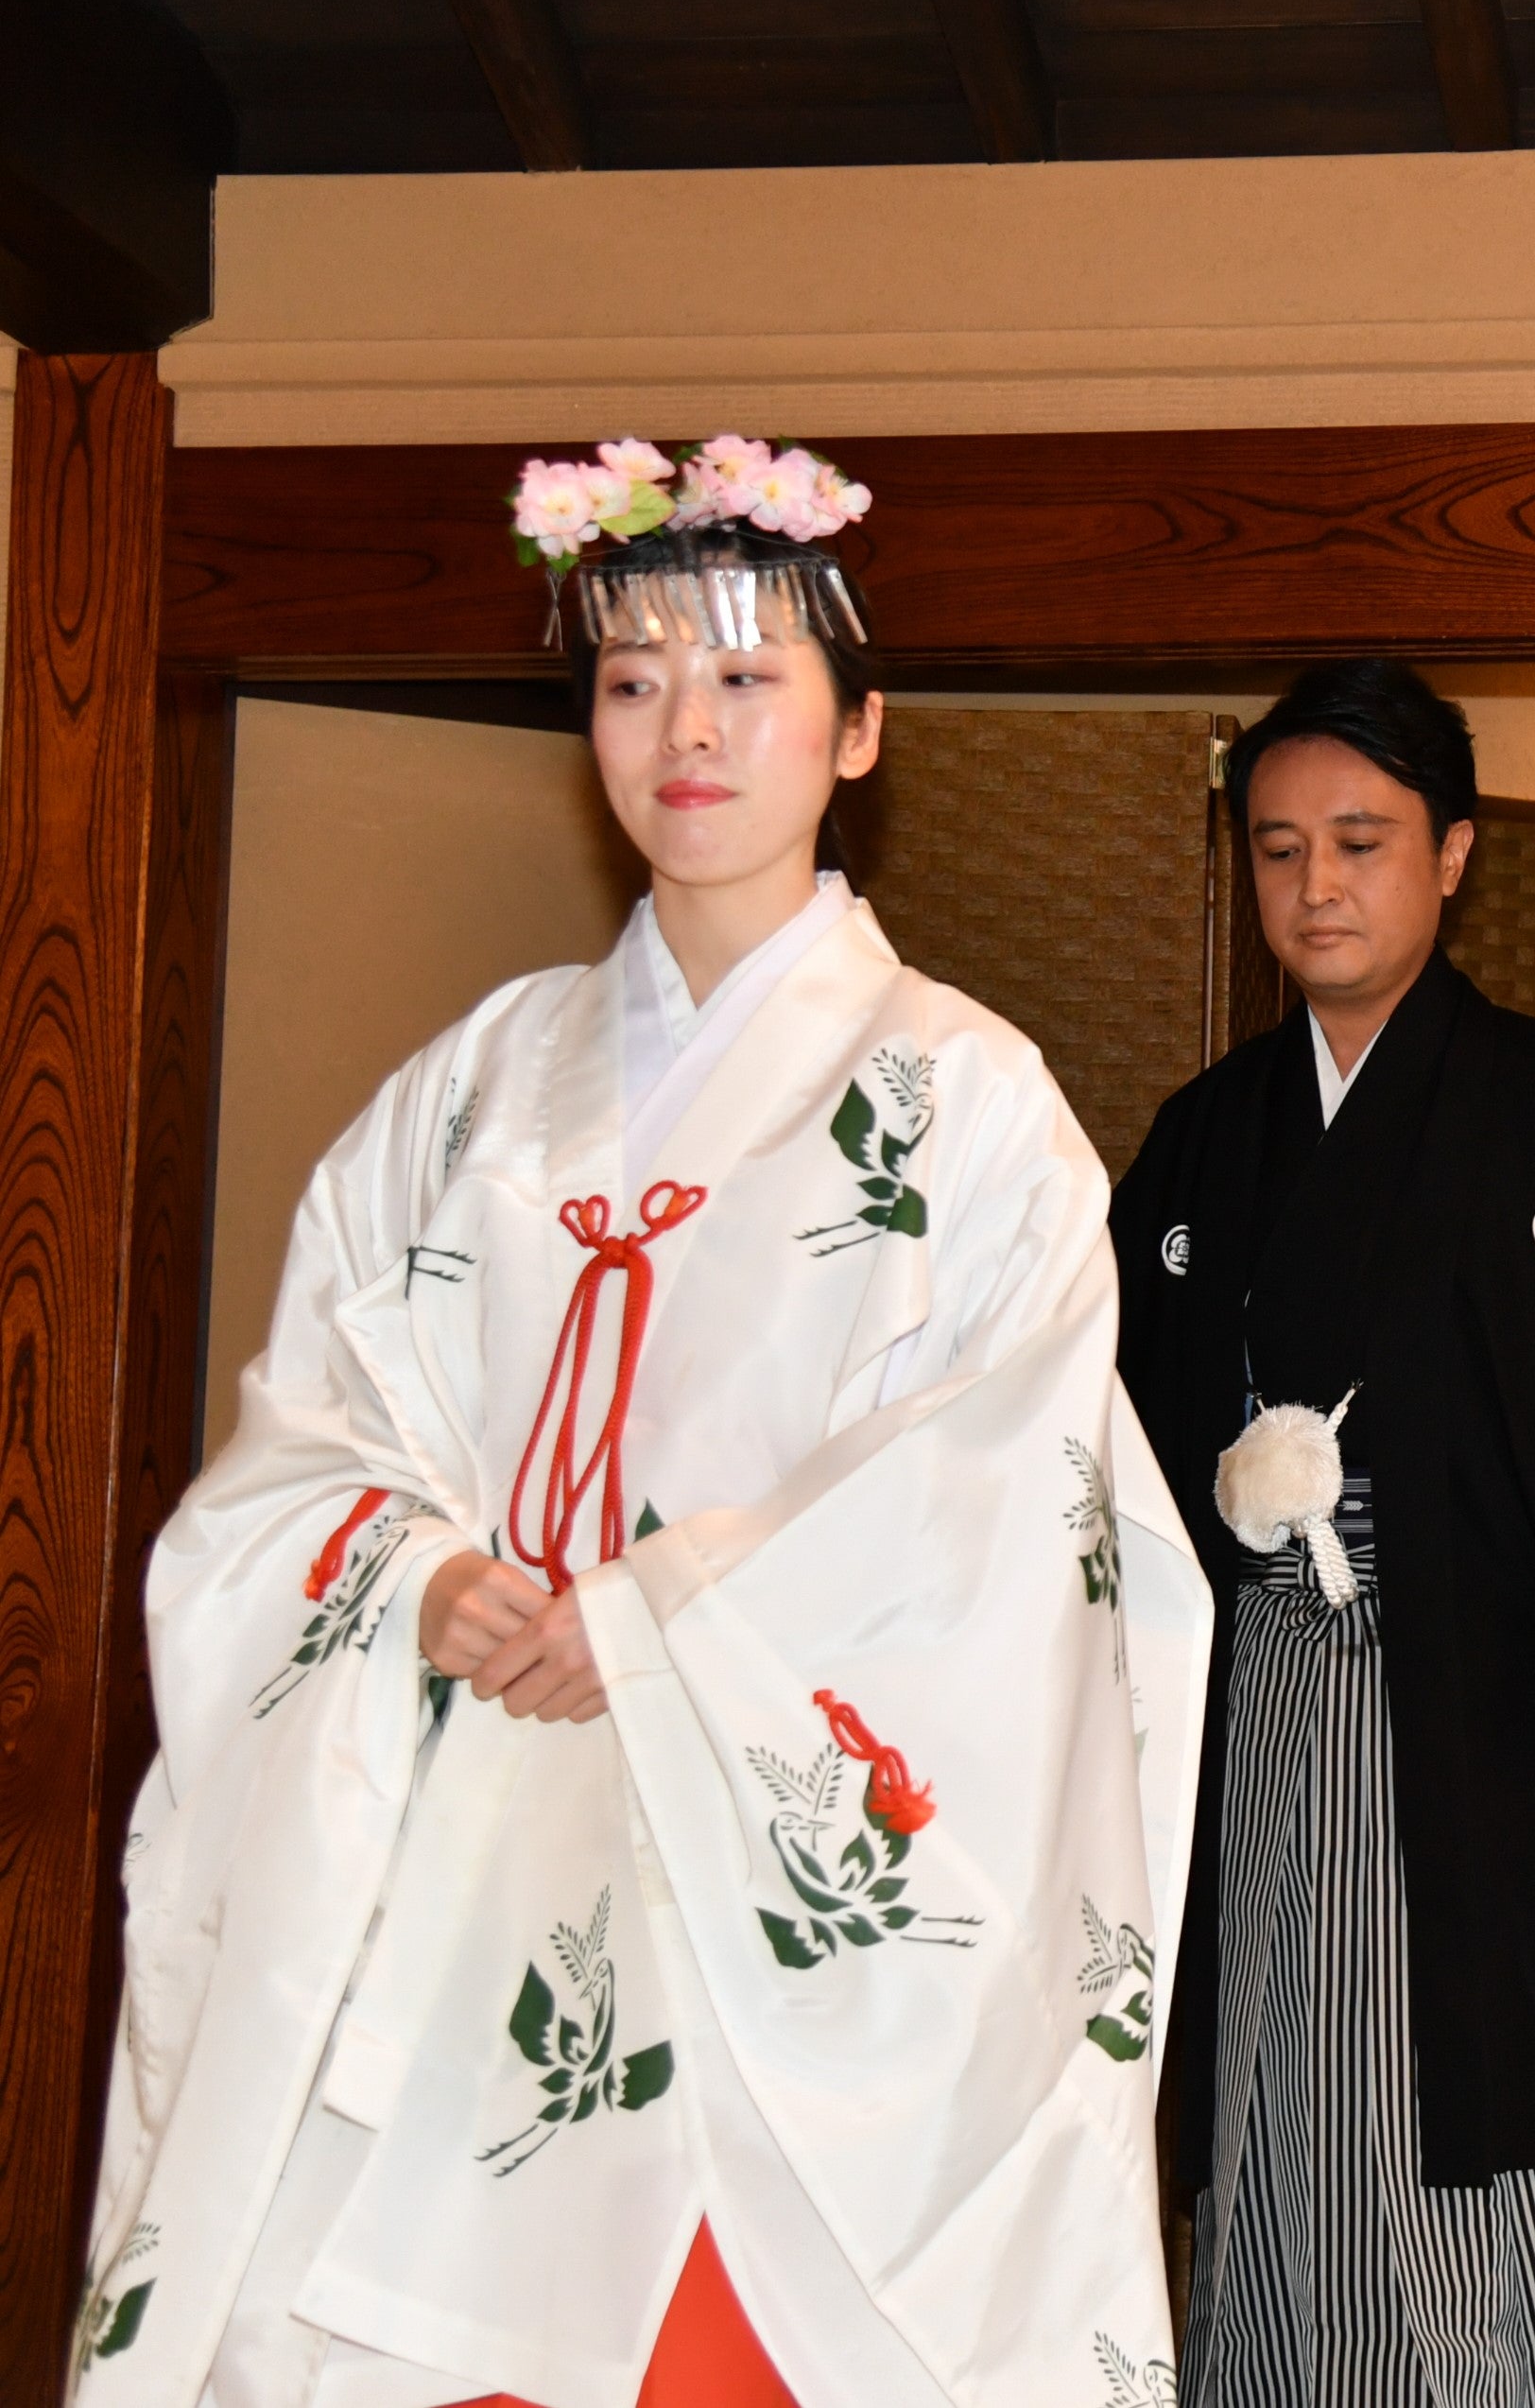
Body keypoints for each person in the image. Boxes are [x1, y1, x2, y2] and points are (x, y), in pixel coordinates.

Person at [76, 439, 1212, 2408]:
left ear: (858, 731)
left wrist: (660, 1612)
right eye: (629, 676)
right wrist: (417, 1577)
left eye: (748, 678)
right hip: (461, 1850)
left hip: (756, 1898)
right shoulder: (470, 1090)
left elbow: (999, 1495)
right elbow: (301, 1436)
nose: (685, 727)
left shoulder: (968, 1100)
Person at [1111, 660, 1535, 2408]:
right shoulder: (1201, 1144)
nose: (1315, 887)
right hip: (1256, 1700)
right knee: (1266, 2109)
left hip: (1491, 1719)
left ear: (1456, 854)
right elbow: (1104, 1435)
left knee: (1472, 2134)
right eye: (1276, 850)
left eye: (1360, 842)